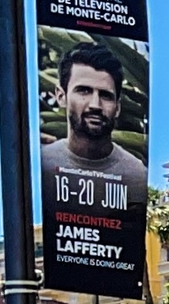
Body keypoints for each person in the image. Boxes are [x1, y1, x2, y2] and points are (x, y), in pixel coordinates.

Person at [39, 43, 148, 218]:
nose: (95, 105)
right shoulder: (43, 164)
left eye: (105, 95)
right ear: (61, 96)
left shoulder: (136, 174)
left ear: (118, 107)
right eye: (84, 91)